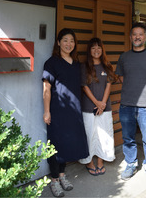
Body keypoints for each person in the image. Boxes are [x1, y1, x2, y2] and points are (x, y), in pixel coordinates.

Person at [115, 22, 146, 185]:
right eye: (134, 34)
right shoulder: (124, 57)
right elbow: (122, 78)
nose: (137, 37)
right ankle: (131, 164)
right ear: (130, 37)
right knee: (128, 137)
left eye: (140, 34)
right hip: (127, 105)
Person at [42, 28, 89, 197]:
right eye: (65, 40)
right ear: (58, 42)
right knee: (55, 145)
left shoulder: (76, 64)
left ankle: (62, 175)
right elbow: (46, 88)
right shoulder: (51, 63)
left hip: (74, 111)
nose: (69, 44)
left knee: (67, 144)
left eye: (72, 41)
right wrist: (47, 111)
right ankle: (54, 180)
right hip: (57, 111)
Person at [79, 38, 117, 176]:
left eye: (99, 48)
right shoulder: (84, 66)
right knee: (89, 134)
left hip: (105, 108)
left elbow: (108, 85)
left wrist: (102, 104)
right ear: (89, 50)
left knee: (104, 134)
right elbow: (84, 86)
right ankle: (89, 162)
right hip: (89, 107)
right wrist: (97, 103)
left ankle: (100, 161)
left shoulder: (107, 66)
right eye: (93, 48)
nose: (96, 50)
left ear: (102, 50)